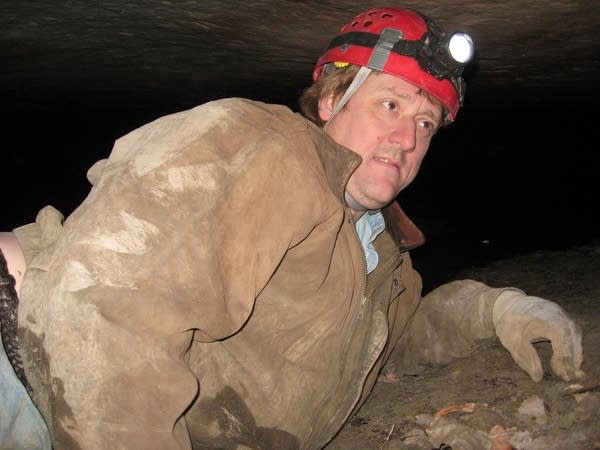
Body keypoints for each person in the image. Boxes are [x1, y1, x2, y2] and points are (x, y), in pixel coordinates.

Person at [0, 6, 584, 450]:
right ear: (331, 100)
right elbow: (103, 307)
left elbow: (390, 342)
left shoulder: (381, 255)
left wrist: (495, 309)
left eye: (426, 121)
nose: (407, 137)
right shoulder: (264, 148)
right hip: (28, 372)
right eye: (389, 106)